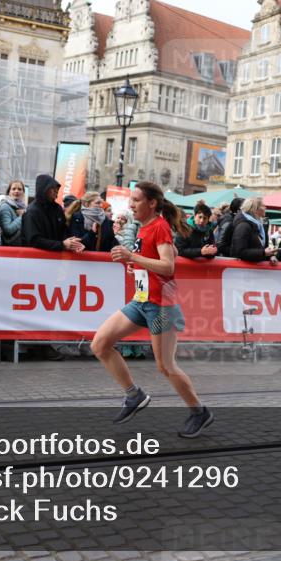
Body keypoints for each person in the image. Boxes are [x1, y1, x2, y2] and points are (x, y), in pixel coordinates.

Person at [90, 181, 213, 438]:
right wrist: (126, 246)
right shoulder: (146, 227)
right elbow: (161, 254)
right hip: (141, 301)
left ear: (152, 203)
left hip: (161, 307)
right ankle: (134, 396)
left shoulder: (159, 226)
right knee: (100, 344)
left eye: (135, 200)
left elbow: (168, 266)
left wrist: (131, 257)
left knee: (165, 366)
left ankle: (199, 412)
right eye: (131, 200)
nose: (130, 204)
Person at [21, 174, 85, 253]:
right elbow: (34, 240)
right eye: (52, 187)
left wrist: (75, 244)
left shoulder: (58, 209)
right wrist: (62, 245)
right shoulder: (32, 211)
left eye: (57, 188)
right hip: (36, 259)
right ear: (43, 189)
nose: (56, 190)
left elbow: (63, 232)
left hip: (56, 258)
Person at [230, 197, 277, 263]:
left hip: (253, 269)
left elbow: (262, 247)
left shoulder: (259, 225)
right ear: (255, 209)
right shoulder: (243, 226)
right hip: (242, 270)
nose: (265, 208)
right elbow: (240, 252)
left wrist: (271, 256)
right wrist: (263, 253)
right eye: (263, 206)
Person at [0, 179, 27, 246]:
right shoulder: (5, 206)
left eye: (19, 189)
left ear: (23, 192)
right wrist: (22, 216)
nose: (16, 191)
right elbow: (7, 230)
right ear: (9, 192)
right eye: (13, 189)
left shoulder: (24, 207)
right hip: (9, 247)